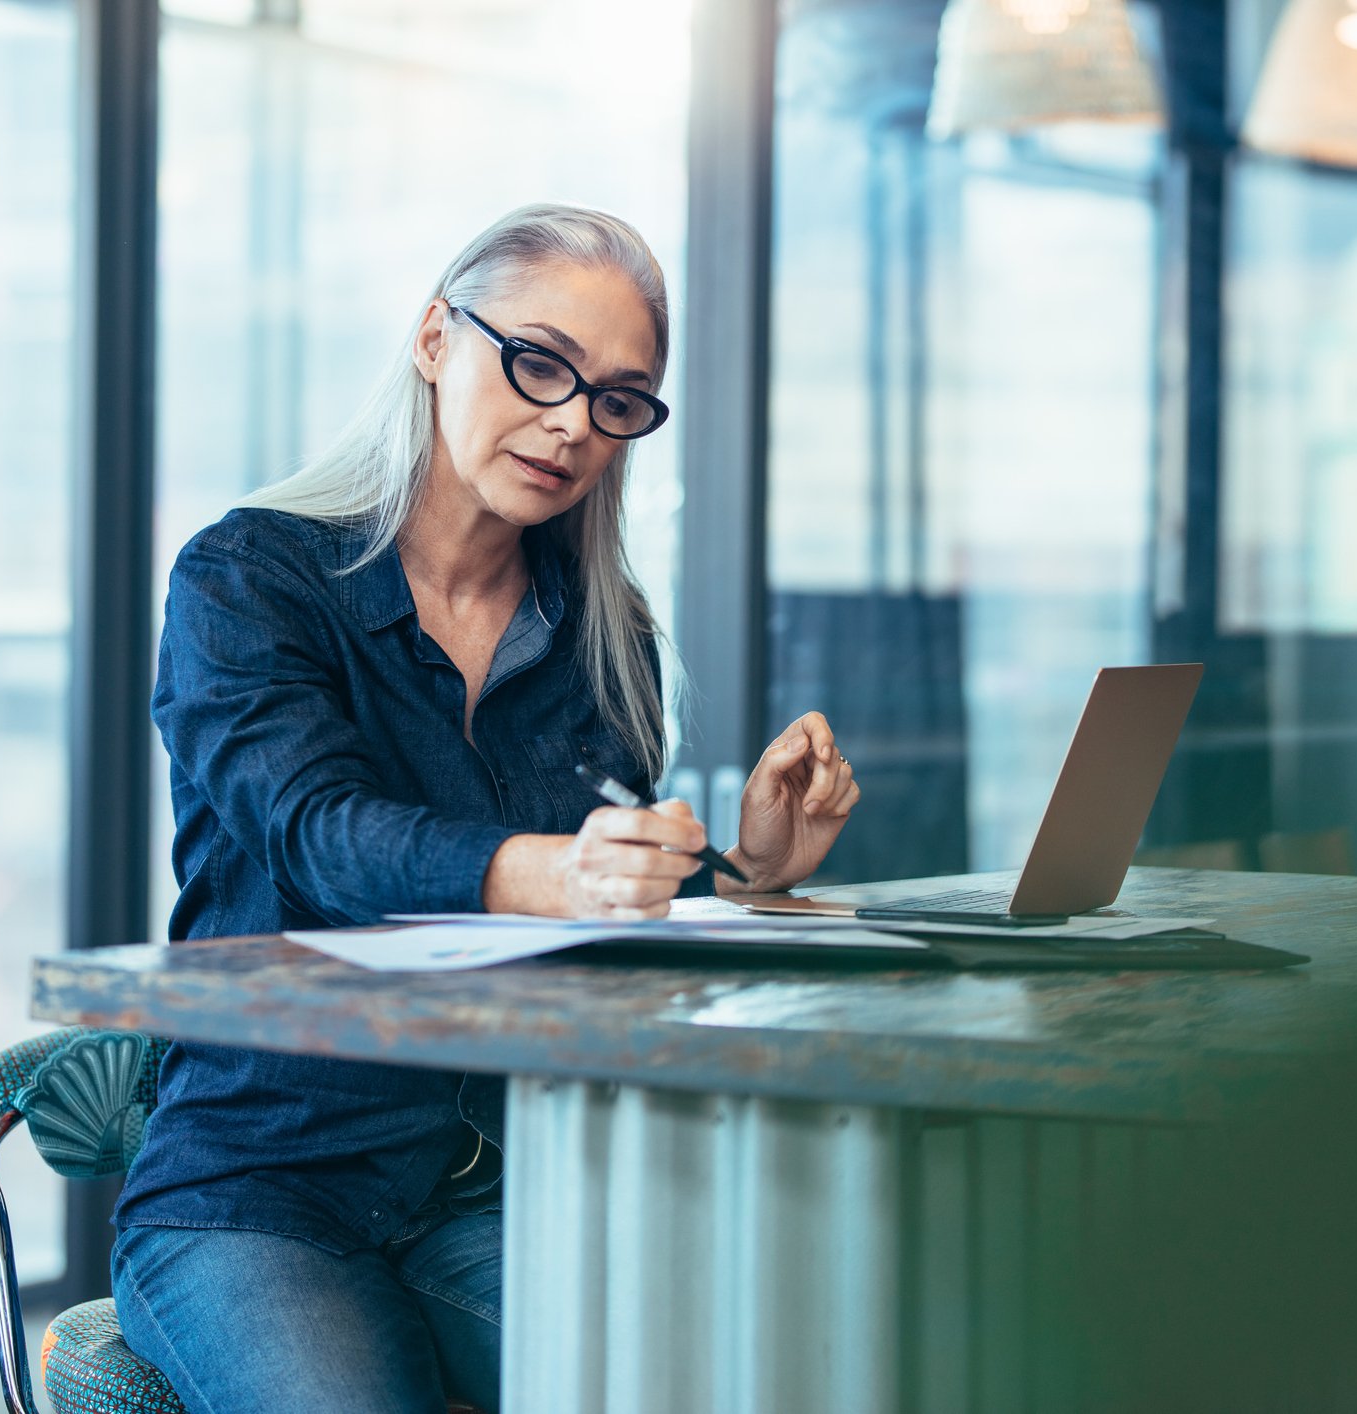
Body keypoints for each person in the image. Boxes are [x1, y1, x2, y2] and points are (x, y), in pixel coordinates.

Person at [110, 204, 859, 1414]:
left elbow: (594, 914)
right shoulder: (248, 580)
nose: (571, 423)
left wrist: (742, 870)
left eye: (617, 400)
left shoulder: (602, 638)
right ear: (431, 338)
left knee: (725, 1380)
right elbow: (316, 832)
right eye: (540, 362)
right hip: (261, 1192)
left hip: (504, 1187)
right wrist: (556, 870)